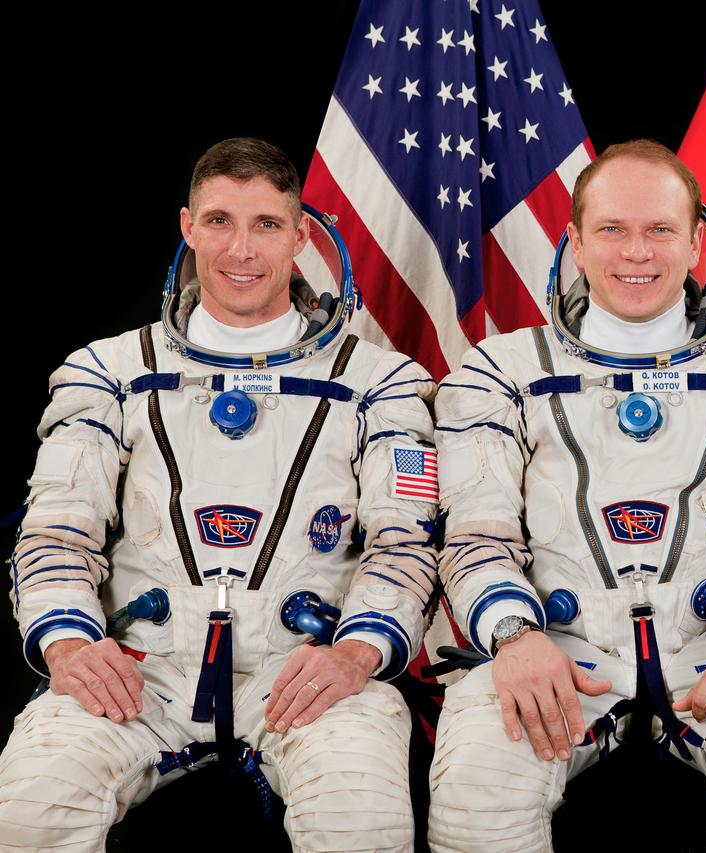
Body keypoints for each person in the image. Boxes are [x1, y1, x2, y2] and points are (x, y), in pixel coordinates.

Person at [0, 138, 438, 852]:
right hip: (142, 668)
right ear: (187, 226)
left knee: (363, 824)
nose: (242, 248)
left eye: (267, 224)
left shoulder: (381, 381)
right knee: (27, 813)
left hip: (308, 668)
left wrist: (355, 653)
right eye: (220, 221)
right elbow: (55, 532)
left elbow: (407, 541)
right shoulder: (109, 370)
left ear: (302, 235)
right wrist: (72, 644)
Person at [426, 140, 706, 851]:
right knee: (476, 789)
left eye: (659, 230)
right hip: (554, 649)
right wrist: (513, 634)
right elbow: (476, 535)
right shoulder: (499, 370)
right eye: (613, 230)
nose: (637, 253)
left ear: (695, 243)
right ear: (577, 245)